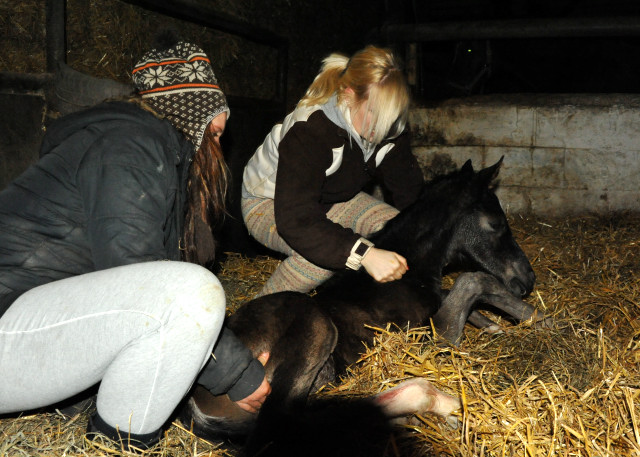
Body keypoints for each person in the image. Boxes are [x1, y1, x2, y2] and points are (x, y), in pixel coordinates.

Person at [0, 38, 270, 451]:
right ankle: (119, 445)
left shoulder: (147, 150)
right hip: (8, 326)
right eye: (214, 132)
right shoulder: (130, 145)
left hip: (25, 323)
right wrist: (240, 374)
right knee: (190, 294)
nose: (219, 147)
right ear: (190, 117)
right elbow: (141, 277)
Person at [241, 45, 425, 296]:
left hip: (332, 199)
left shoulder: (387, 125)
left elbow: (409, 189)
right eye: (374, 113)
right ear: (349, 96)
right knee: (316, 261)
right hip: (269, 203)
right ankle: (254, 320)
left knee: (395, 230)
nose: (381, 130)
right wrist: (365, 254)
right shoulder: (310, 130)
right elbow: (296, 219)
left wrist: (428, 230)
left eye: (390, 117)